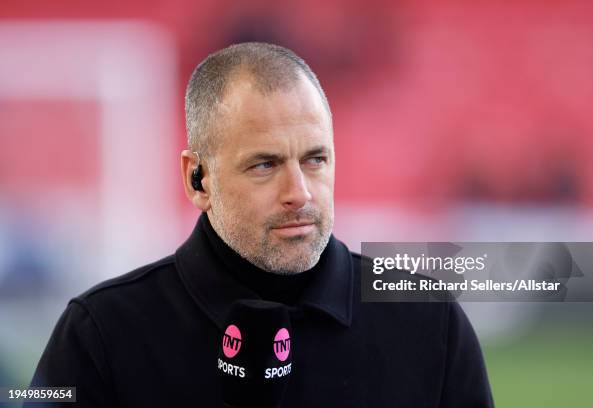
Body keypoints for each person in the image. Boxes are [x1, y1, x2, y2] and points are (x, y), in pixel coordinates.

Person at [27, 42, 494, 407]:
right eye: (264, 165)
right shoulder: (101, 333)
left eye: (315, 159)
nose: (300, 192)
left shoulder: (429, 320)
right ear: (198, 178)